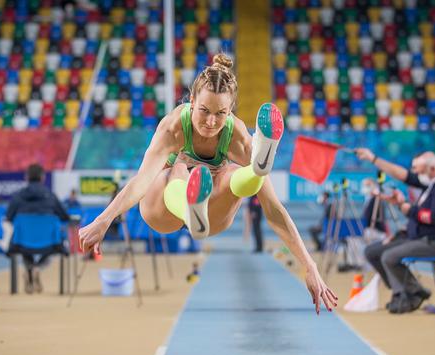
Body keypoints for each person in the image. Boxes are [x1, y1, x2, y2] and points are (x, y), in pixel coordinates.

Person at [79, 54, 338, 314]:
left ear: (230, 111)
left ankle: (257, 170)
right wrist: (104, 220)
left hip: (212, 212)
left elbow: (273, 210)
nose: (211, 122)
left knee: (234, 173)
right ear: (191, 102)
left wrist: (310, 266)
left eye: (221, 113)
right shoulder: (173, 128)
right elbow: (141, 182)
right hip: (162, 210)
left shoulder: (236, 135)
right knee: (178, 169)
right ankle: (194, 208)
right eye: (204, 111)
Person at [355, 148, 435, 314]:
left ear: (431, 169)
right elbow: (403, 175)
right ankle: (408, 291)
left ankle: (409, 293)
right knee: (372, 251)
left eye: (418, 170)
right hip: (415, 237)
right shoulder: (432, 182)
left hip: (433, 242)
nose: (415, 173)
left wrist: (408, 209)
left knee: (388, 256)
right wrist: (373, 159)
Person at [6, 163, 70, 293]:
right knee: (54, 243)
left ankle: (30, 268)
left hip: (22, 244)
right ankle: (38, 267)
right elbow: (64, 217)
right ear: (42, 177)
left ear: (26, 177)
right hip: (49, 244)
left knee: (24, 246)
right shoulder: (51, 195)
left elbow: (9, 217)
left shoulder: (18, 196)